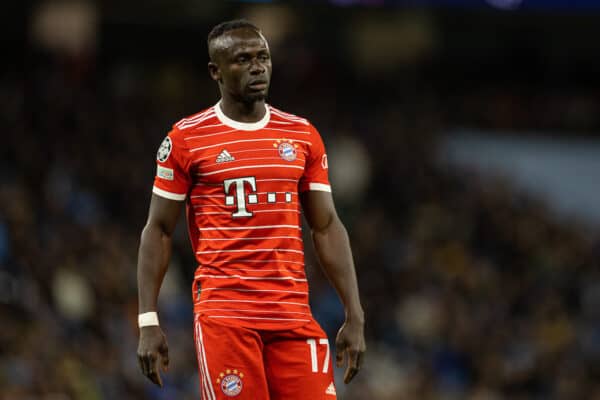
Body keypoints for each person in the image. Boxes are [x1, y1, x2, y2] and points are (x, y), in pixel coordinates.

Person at [136, 19, 365, 399]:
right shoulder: (186, 139)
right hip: (227, 319)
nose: (257, 67)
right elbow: (158, 230)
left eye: (263, 57)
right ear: (216, 71)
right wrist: (148, 320)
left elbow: (326, 226)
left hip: (292, 316)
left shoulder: (302, 135)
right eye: (243, 59)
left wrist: (354, 313)